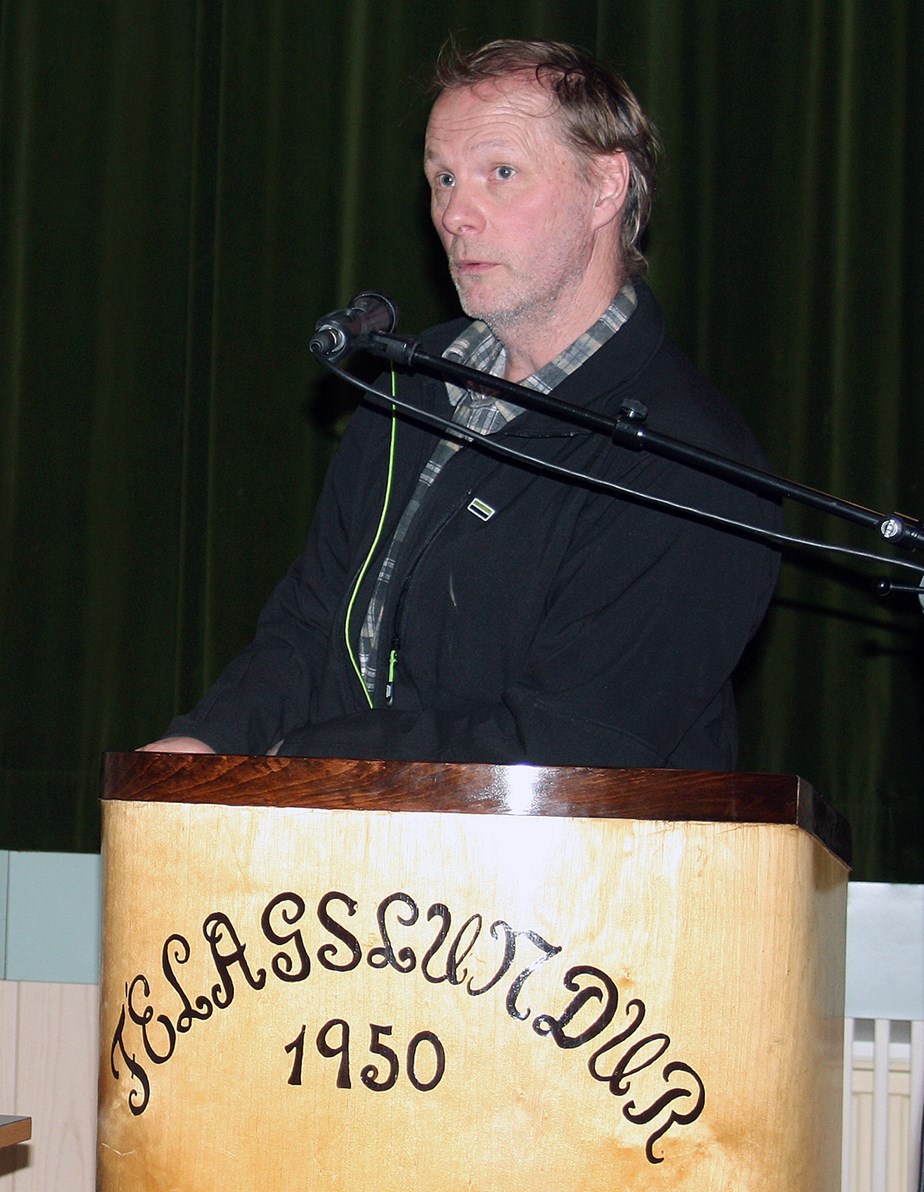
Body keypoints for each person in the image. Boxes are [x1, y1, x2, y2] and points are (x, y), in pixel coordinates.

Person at [141, 38, 780, 770]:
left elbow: (576, 747)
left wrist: (305, 760)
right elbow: (313, 625)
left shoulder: (689, 461)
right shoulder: (407, 390)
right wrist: (212, 740)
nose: (455, 215)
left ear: (606, 186)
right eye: (442, 178)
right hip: (351, 824)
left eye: (500, 173)